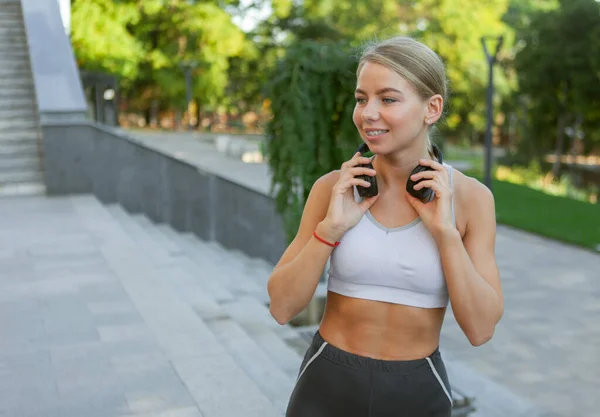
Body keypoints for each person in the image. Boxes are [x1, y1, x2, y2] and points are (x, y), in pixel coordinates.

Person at [267, 36, 504, 417]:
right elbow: (281, 307)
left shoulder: (473, 200)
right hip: (327, 383)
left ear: (432, 108)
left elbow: (481, 329)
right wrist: (330, 230)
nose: (368, 113)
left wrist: (445, 234)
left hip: (417, 390)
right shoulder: (332, 188)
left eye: (388, 99)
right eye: (362, 99)